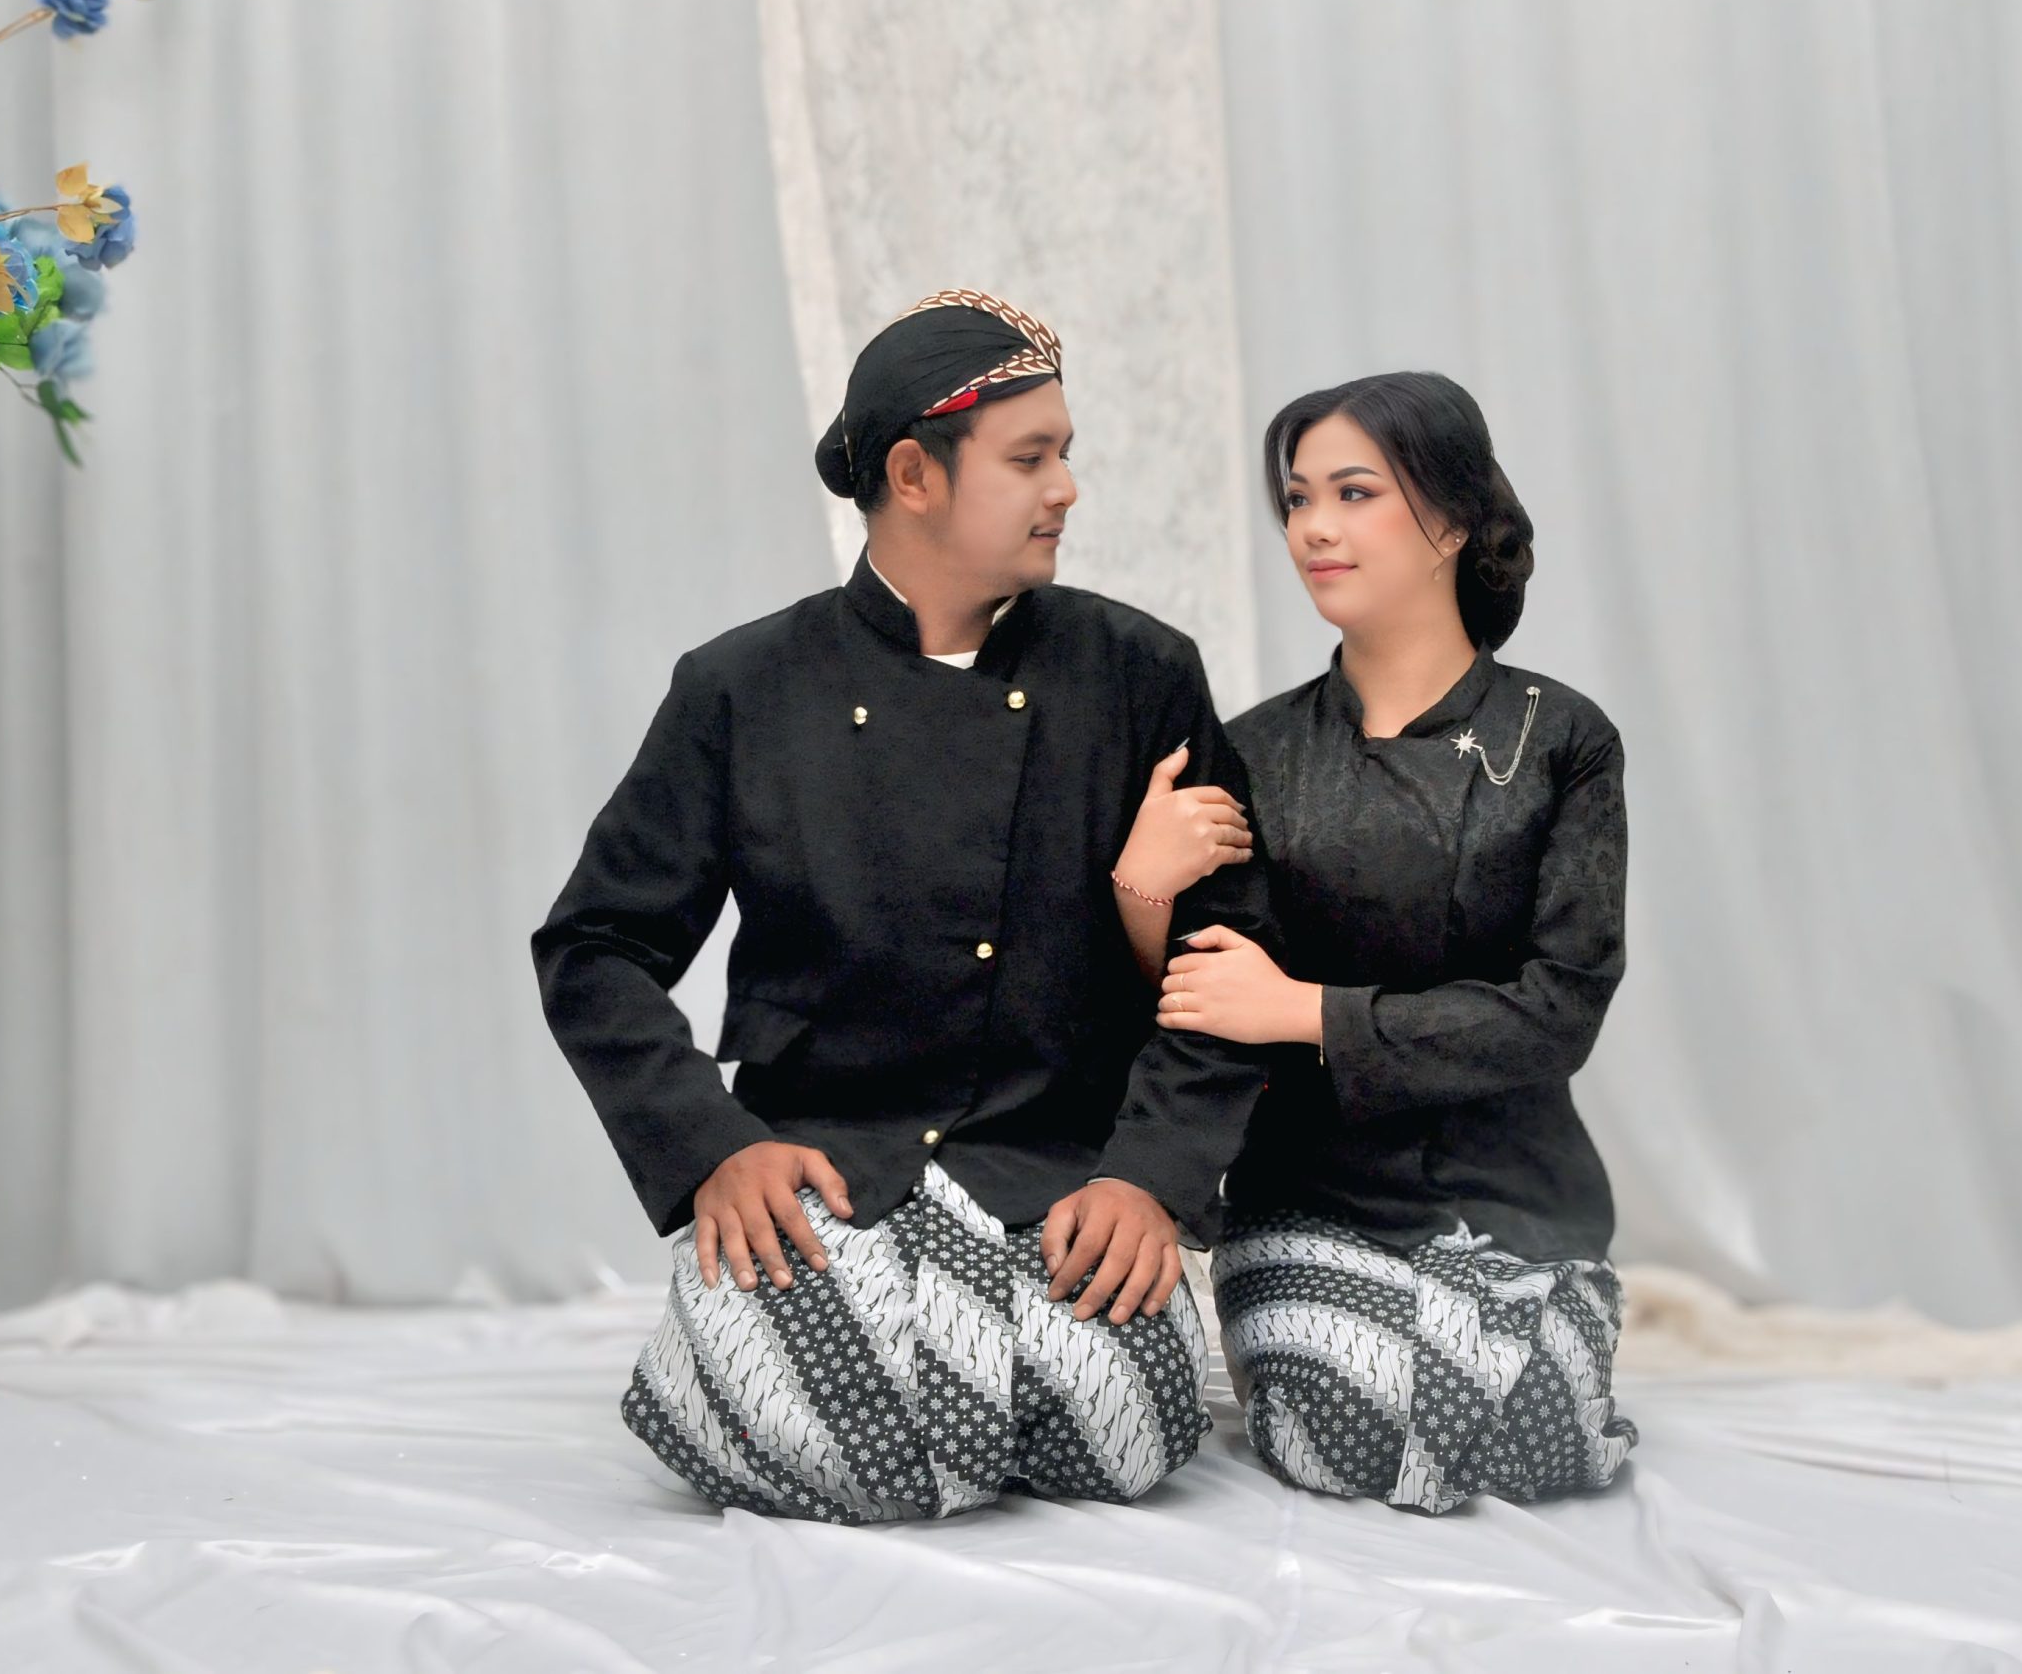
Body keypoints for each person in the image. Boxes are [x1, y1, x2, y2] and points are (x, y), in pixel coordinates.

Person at [532, 290, 1277, 1524]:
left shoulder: (1140, 673)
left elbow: (1228, 955)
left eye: (1065, 454)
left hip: (1056, 1177)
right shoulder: (741, 688)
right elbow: (596, 945)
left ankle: (913, 1399)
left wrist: (1149, 1178)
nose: (1066, 489)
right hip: (825, 1177)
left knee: (1125, 1423)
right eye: (1029, 459)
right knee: (799, 1410)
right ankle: (913, 1399)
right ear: (913, 475)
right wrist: (712, 1149)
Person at [1115, 370, 1639, 1514]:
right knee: (1354, 1424)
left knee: (1535, 1432)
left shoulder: (1562, 739)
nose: (1313, 527)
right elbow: (1191, 1005)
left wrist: (1305, 1010)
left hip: (1519, 1197)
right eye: (1298, 499)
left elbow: (1560, 1009)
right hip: (1311, 1196)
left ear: (1450, 519)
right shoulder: (1250, 754)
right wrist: (1140, 891)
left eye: (1352, 493)